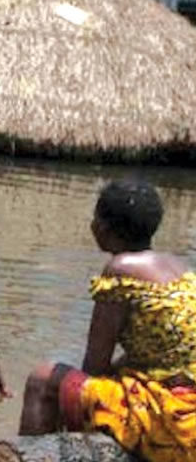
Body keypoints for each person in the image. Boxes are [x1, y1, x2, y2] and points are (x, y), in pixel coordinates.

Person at [19, 178, 196, 461]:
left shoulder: (120, 269)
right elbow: (159, 353)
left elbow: (95, 365)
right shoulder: (179, 267)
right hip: (189, 405)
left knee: (42, 379)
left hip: (171, 416)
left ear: (102, 227)